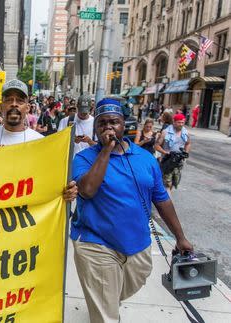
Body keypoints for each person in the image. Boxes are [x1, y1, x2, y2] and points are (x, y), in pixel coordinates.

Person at [71, 98, 193, 323]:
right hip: (95, 243)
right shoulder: (84, 158)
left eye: (114, 122)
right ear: (96, 128)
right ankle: (104, 305)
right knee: (106, 315)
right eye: (102, 123)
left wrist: (180, 237)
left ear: (123, 125)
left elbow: (162, 199)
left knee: (122, 288)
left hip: (137, 245)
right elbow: (87, 190)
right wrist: (106, 151)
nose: (108, 127)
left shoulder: (145, 158)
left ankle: (105, 299)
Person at [0, 79, 78, 202]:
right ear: (1, 107)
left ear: (27, 108)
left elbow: (49, 181)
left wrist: (66, 191)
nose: (14, 104)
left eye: (20, 101)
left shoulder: (40, 142)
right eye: (8, 100)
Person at [155, 113, 191, 192]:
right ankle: (167, 202)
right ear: (174, 122)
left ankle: (165, 198)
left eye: (182, 122)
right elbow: (156, 146)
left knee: (174, 182)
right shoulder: (165, 132)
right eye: (179, 122)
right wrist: (165, 152)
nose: (181, 124)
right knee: (167, 184)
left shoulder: (185, 132)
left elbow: (188, 143)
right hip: (167, 161)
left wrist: (185, 153)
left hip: (178, 161)